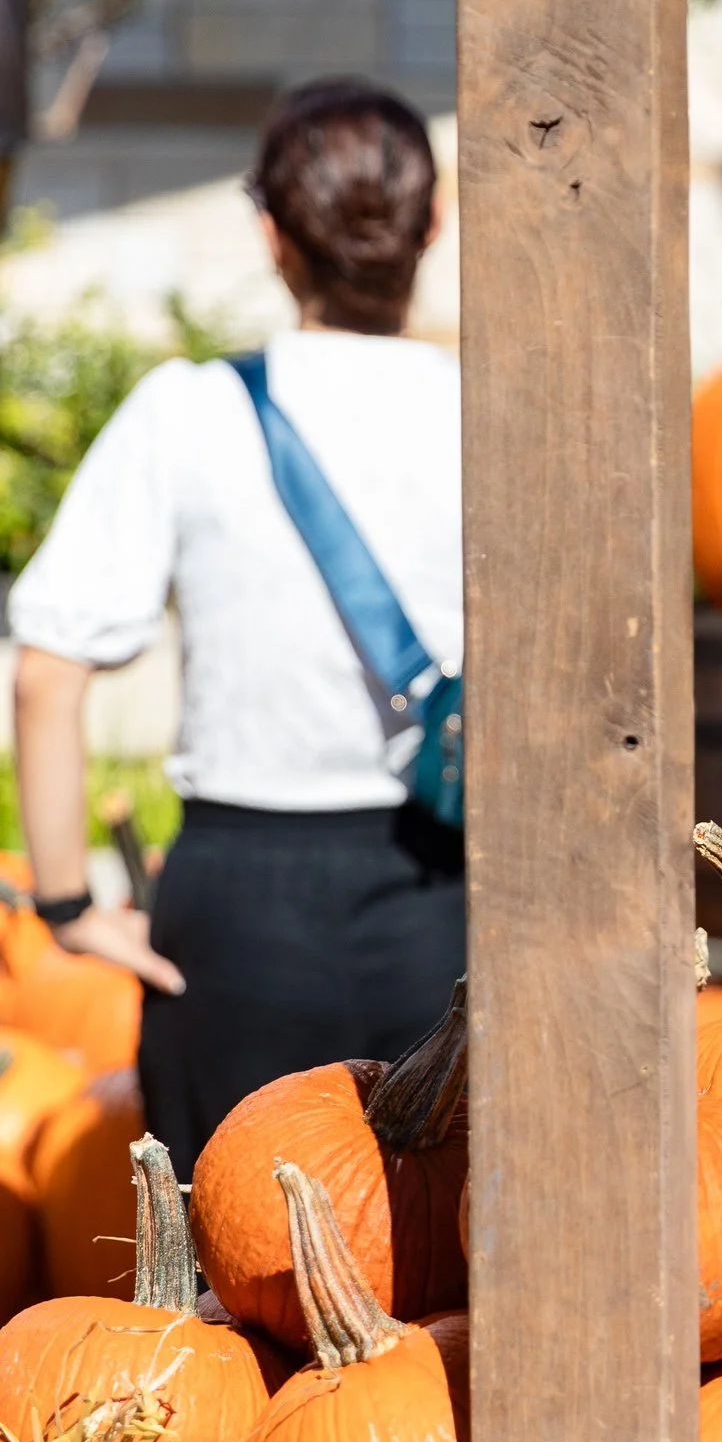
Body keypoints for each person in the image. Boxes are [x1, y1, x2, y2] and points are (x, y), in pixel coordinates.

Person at [10, 78, 463, 1177]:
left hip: (239, 903)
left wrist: (69, 903)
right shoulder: (489, 409)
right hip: (449, 885)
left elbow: (46, 673)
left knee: (233, 1264)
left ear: (270, 233)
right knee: (446, 1273)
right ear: (431, 227)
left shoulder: (187, 411)